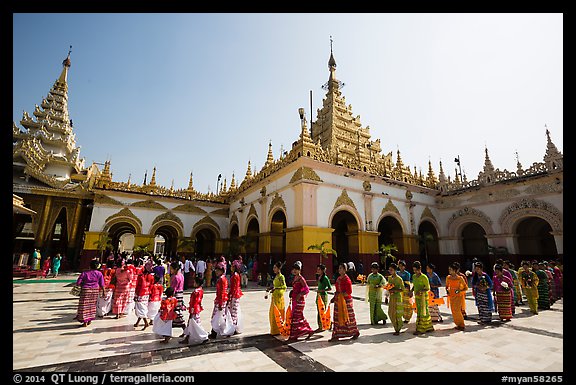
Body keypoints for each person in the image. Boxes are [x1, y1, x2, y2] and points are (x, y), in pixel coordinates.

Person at [329, 263, 360, 342]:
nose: (340, 270)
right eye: (339, 268)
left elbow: (349, 291)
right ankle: (336, 334)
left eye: (341, 268)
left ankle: (354, 332)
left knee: (348, 317)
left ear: (345, 270)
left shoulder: (347, 279)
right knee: (337, 317)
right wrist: (335, 297)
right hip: (338, 300)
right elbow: (337, 290)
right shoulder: (338, 279)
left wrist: (341, 295)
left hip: (345, 301)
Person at [287, 261, 315, 342]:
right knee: (299, 317)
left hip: (299, 301)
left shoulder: (301, 278)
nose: (295, 271)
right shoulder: (295, 278)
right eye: (294, 269)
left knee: (295, 317)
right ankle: (309, 330)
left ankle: (293, 336)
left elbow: (306, 289)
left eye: (297, 269)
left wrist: (300, 294)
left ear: (300, 270)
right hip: (294, 300)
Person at [74, 259, 105, 327]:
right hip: (95, 290)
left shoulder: (84, 273)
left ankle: (84, 321)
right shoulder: (99, 273)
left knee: (84, 306)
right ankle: (89, 320)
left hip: (86, 290)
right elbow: (102, 284)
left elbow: (78, 283)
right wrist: (104, 292)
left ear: (89, 266)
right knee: (92, 305)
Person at [180, 277, 208, 345]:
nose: (193, 283)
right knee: (193, 324)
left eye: (194, 282)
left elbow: (194, 302)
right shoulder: (201, 290)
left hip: (194, 309)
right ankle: (188, 337)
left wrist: (191, 310)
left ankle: (203, 336)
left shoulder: (196, 292)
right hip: (197, 308)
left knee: (195, 324)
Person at [412, 261, 434, 335]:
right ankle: (429, 327)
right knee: (419, 312)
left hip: (423, 297)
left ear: (420, 269)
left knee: (423, 312)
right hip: (417, 297)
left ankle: (421, 329)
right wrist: (411, 291)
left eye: (416, 270)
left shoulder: (424, 277)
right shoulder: (414, 276)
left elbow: (427, 288)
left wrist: (421, 291)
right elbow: (414, 285)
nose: (415, 272)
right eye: (414, 270)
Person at [209, 261, 230, 339]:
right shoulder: (223, 278)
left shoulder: (221, 279)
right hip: (221, 300)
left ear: (222, 271)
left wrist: (220, 303)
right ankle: (217, 331)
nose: (216, 271)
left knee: (216, 317)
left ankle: (215, 332)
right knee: (219, 317)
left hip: (220, 300)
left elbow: (221, 292)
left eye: (218, 270)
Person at [445, 262, 468, 331]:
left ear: (455, 270)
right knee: (453, 311)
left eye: (451, 269)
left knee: (458, 310)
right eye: (449, 269)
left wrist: (459, 291)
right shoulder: (448, 277)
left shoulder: (460, 278)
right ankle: (458, 324)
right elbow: (446, 286)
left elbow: (466, 288)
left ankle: (462, 324)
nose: (449, 271)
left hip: (458, 297)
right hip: (451, 297)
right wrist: (447, 290)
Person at [267, 261, 287, 336]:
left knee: (277, 313)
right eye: (273, 267)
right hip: (274, 297)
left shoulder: (281, 277)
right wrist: (271, 288)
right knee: (272, 313)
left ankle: (278, 329)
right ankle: (274, 330)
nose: (274, 269)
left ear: (279, 268)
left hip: (278, 298)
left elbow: (284, 287)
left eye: (275, 267)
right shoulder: (276, 277)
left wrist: (276, 290)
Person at [133, 264, 155, 330]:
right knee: (143, 308)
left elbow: (137, 286)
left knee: (141, 309)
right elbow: (151, 286)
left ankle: (146, 322)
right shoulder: (151, 277)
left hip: (140, 294)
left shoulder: (140, 276)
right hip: (147, 294)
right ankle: (138, 322)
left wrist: (135, 294)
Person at [169, 261, 187, 334]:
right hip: (180, 295)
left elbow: (173, 289)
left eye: (171, 269)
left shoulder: (175, 277)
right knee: (176, 311)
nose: (171, 271)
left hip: (176, 295)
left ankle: (184, 327)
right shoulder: (181, 275)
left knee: (175, 312)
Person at [386, 263, 404, 335]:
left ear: (395, 270)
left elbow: (402, 289)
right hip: (392, 297)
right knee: (390, 313)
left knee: (397, 314)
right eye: (389, 270)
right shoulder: (389, 278)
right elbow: (388, 287)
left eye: (391, 270)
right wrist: (386, 296)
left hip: (397, 297)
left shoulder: (399, 279)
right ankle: (396, 326)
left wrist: (395, 290)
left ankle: (398, 328)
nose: (390, 271)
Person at [228, 259, 244, 334]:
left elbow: (233, 287)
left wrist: (230, 295)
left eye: (232, 266)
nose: (231, 267)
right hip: (236, 294)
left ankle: (234, 327)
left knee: (233, 311)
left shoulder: (235, 275)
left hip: (234, 294)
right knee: (235, 310)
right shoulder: (236, 275)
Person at [315, 264, 332, 332]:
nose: (317, 270)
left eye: (319, 269)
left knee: (322, 311)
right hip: (318, 296)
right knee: (318, 311)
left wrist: (322, 290)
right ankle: (320, 325)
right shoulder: (319, 277)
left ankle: (324, 325)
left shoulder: (325, 278)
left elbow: (330, 288)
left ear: (322, 270)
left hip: (323, 296)